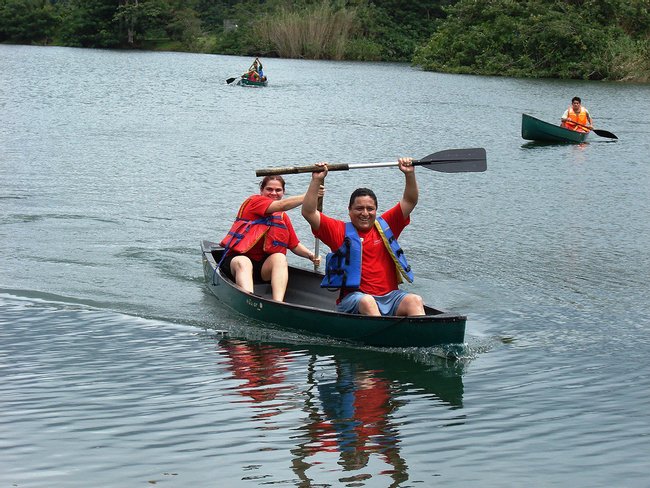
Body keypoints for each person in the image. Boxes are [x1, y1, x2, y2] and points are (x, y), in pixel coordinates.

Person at [301, 159, 425, 317]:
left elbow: (410, 200)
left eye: (370, 209)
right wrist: (316, 180)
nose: (365, 213)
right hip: (355, 299)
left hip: (390, 297)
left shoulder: (386, 225)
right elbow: (309, 212)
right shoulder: (338, 231)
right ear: (350, 211)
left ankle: (419, 336)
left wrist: (409, 174)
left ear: (376, 210)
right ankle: (381, 339)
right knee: (367, 301)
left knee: (415, 300)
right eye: (359, 208)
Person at [220, 175, 321, 302]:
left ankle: (278, 303)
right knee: (243, 262)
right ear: (261, 191)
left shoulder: (282, 218)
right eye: (269, 189)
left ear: (283, 192)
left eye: (278, 190)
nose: (274, 193)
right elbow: (282, 205)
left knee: (280, 258)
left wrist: (310, 255)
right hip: (237, 264)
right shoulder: (254, 202)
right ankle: (249, 300)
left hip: (262, 269)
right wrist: (311, 194)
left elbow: (294, 245)